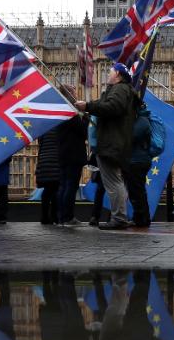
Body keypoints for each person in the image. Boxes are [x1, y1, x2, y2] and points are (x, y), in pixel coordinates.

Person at [75, 63, 139, 230]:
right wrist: (88, 106)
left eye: (110, 72)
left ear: (117, 74)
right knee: (115, 182)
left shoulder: (120, 89)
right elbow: (106, 104)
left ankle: (119, 218)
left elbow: (112, 107)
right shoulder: (122, 90)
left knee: (113, 182)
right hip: (116, 142)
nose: (108, 75)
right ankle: (121, 216)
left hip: (112, 143)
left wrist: (88, 107)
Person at [56, 85, 89, 225]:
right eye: (74, 92)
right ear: (69, 94)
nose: (76, 94)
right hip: (73, 154)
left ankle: (61, 217)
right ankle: (68, 217)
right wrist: (86, 116)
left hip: (63, 154)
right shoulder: (70, 112)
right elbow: (82, 131)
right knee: (71, 186)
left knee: (63, 186)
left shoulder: (59, 111)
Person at [125, 102, 153, 227]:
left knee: (137, 191)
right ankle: (141, 218)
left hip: (138, 160)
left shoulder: (142, 121)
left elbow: (131, 136)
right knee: (137, 191)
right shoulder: (141, 120)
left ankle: (142, 219)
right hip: (136, 159)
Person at [36, 126, 61, 225]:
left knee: (47, 191)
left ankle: (44, 217)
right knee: (56, 190)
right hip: (56, 161)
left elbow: (40, 143)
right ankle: (54, 216)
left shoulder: (43, 128)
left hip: (44, 161)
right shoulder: (60, 127)